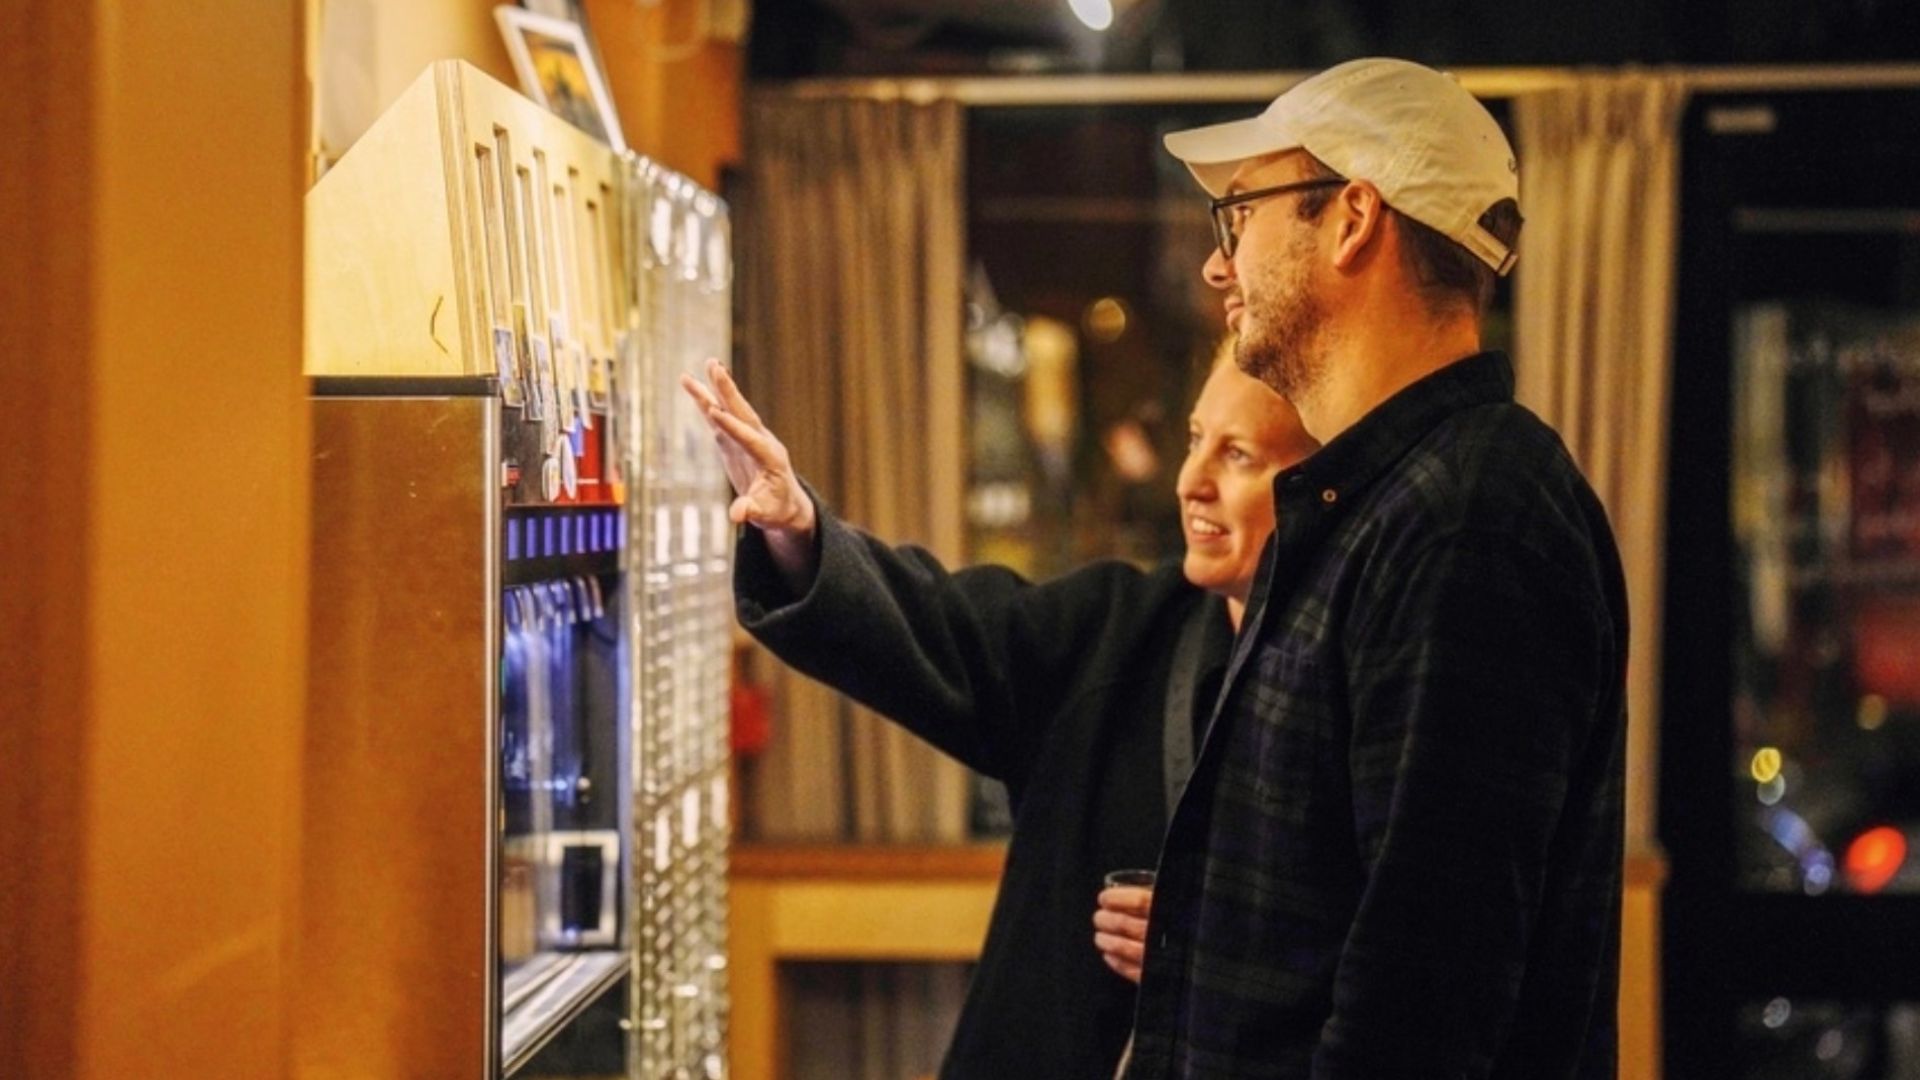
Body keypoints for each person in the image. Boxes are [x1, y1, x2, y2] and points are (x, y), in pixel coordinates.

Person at [1123, 58, 1631, 1079]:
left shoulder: (1470, 518)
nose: (1220, 267)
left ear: (1353, 219)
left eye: (1242, 215)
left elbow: (1423, 999)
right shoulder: (1381, 502)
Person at [682, 352, 1318, 1079]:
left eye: (1237, 455)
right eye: (1195, 440)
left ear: (1325, 485)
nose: (1190, 482)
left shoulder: (1364, 688)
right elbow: (937, 628)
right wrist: (798, 530)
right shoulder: (1115, 632)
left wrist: (1234, 964)